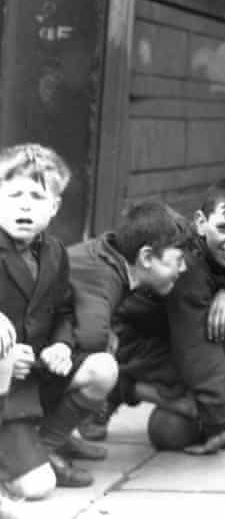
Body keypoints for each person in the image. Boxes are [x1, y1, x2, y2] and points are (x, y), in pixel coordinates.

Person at [93, 177, 225, 455]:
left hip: (174, 333)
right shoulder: (187, 265)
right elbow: (196, 348)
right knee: (170, 431)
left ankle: (186, 396)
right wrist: (221, 421)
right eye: (224, 228)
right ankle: (119, 387)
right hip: (130, 341)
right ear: (201, 222)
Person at [0, 144, 117, 505]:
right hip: (4, 392)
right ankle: (19, 457)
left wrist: (62, 345)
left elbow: (64, 310)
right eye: (13, 194)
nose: (24, 205)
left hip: (37, 376)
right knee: (36, 488)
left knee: (103, 368)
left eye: (36, 196)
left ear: (53, 207)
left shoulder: (54, 252)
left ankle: (45, 443)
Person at [64, 199, 190, 467]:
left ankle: (59, 435)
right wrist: (105, 337)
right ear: (145, 257)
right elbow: (89, 339)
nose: (184, 268)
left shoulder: (110, 256)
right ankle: (42, 445)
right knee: (98, 363)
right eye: (178, 259)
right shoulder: (105, 276)